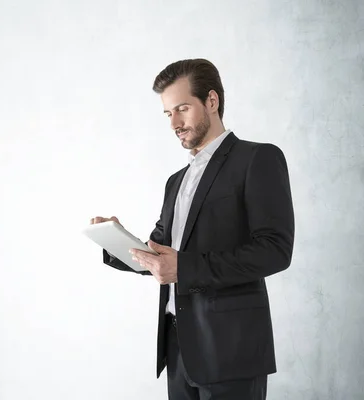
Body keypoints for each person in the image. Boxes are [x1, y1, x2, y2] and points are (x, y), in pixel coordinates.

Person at [89, 58, 295, 400]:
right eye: (168, 113)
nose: (175, 123)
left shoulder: (258, 159)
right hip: (178, 348)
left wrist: (183, 267)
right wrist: (116, 242)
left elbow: (275, 251)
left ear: (211, 101)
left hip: (232, 349)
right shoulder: (175, 182)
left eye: (182, 108)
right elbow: (161, 257)